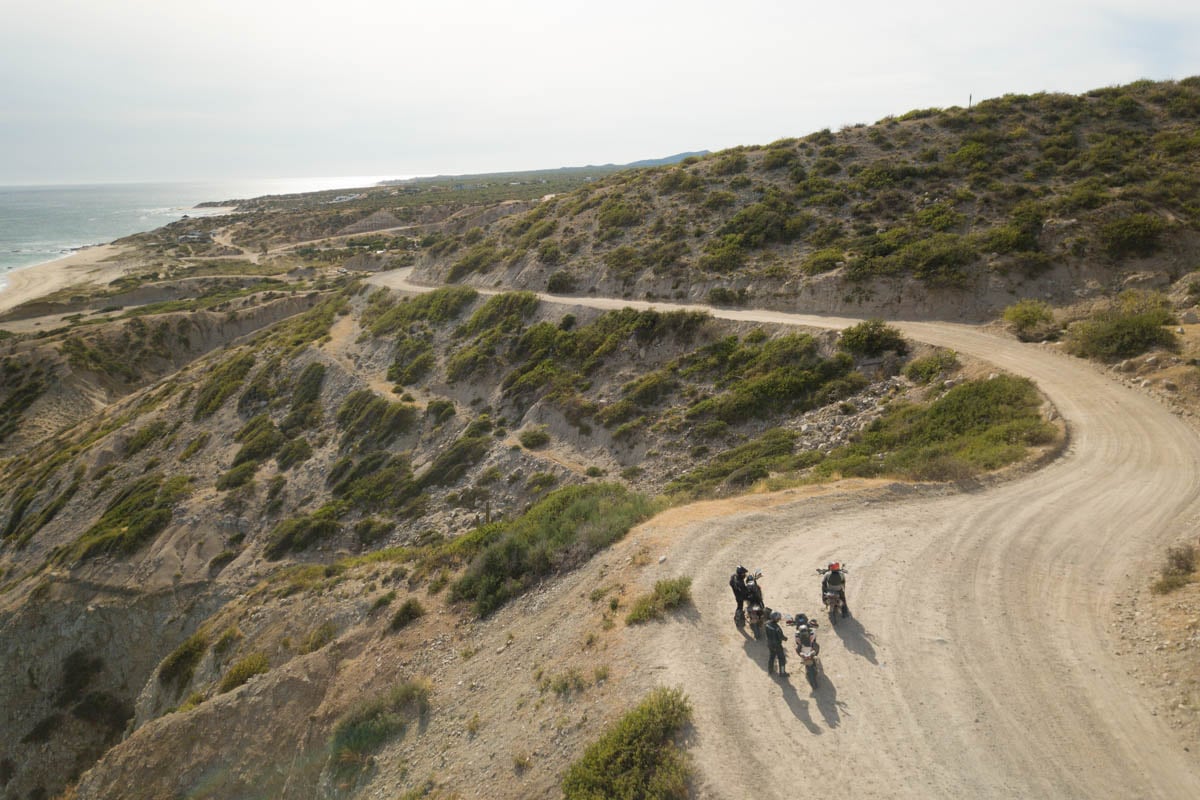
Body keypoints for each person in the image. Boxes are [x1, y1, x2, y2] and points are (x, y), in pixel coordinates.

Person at [765, 611, 788, 676]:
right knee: (782, 658)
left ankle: (770, 670)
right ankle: (782, 673)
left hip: (769, 644)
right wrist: (785, 638)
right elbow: (781, 637)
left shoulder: (767, 624)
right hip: (777, 645)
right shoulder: (777, 628)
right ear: (777, 619)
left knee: (772, 656)